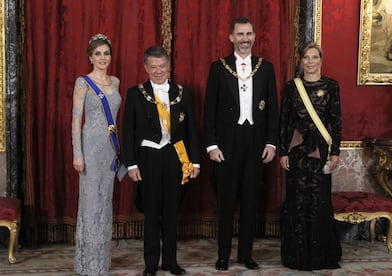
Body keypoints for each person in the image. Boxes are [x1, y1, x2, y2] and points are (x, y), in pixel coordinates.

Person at [203, 17, 279, 271]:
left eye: (249, 34)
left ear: (254, 36)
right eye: (240, 34)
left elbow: (273, 111)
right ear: (231, 37)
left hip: (256, 142)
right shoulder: (219, 67)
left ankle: (246, 255)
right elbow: (209, 110)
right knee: (225, 203)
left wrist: (271, 142)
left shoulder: (265, 68)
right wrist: (212, 145)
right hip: (226, 143)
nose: (245, 39)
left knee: (250, 202)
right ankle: (223, 254)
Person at [122, 45, 200, 276]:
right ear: (145, 68)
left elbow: (191, 131)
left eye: (162, 66)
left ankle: (170, 261)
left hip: (175, 157)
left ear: (169, 66)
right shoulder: (136, 93)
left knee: (171, 211)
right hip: (148, 157)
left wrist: (195, 162)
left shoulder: (182, 93)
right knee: (152, 211)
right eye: (153, 67)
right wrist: (132, 164)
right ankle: (150, 263)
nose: (158, 71)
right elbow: (128, 132)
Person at [279, 42, 342, 270]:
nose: (310, 61)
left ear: (321, 60)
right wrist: (283, 151)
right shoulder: (292, 87)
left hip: (320, 151)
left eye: (314, 57)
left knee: (319, 201)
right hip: (297, 151)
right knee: (296, 201)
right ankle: (297, 256)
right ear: (301, 61)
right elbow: (284, 121)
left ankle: (319, 256)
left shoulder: (332, 86)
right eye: (306, 57)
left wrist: (335, 152)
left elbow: (336, 121)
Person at [72, 33, 121, 275]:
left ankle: (101, 261)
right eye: (98, 54)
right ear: (90, 57)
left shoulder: (116, 82)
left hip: (110, 149)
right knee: (91, 203)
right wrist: (77, 154)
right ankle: (87, 263)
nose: (103, 58)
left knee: (104, 202)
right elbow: (76, 120)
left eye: (106, 53)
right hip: (90, 148)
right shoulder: (83, 82)